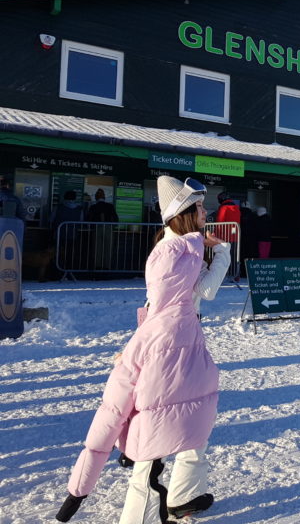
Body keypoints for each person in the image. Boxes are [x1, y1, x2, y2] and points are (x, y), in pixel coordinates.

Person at [56, 176, 231, 523]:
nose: (205, 211)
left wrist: (220, 251)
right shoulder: (173, 250)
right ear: (182, 213)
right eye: (198, 207)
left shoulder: (187, 247)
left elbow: (203, 292)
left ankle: (183, 495)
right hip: (167, 347)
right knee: (158, 426)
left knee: (194, 420)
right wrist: (137, 346)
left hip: (186, 342)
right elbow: (164, 304)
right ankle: (140, 515)